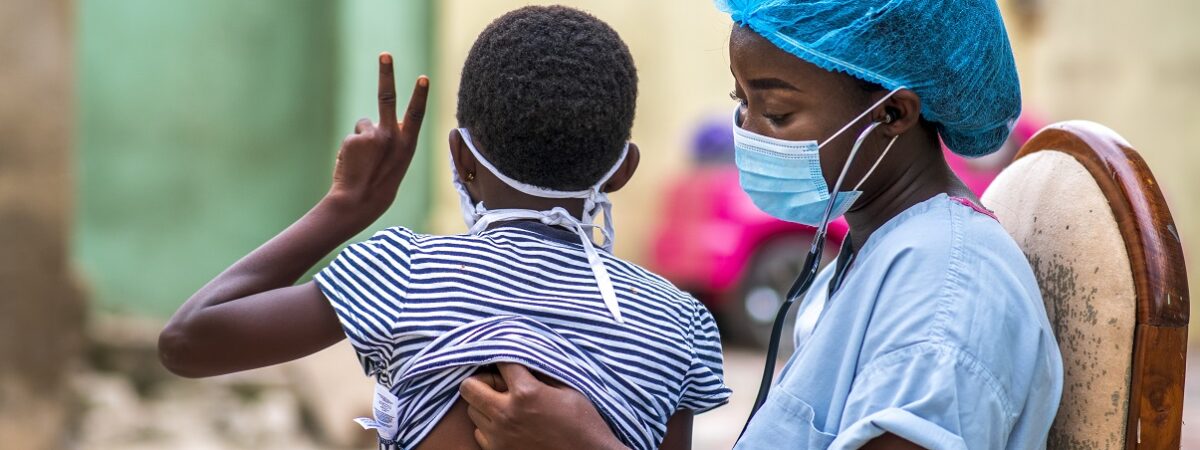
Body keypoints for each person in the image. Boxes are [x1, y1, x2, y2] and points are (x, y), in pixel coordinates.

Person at [457, 1, 1064, 449]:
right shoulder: (873, 253)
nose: (746, 132)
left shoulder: (948, 288)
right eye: (741, 102)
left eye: (775, 111)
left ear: (894, 114)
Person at [157, 6, 731, 450]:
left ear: (460, 159)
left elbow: (187, 342)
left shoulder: (400, 272)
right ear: (623, 171)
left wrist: (346, 208)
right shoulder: (681, 323)